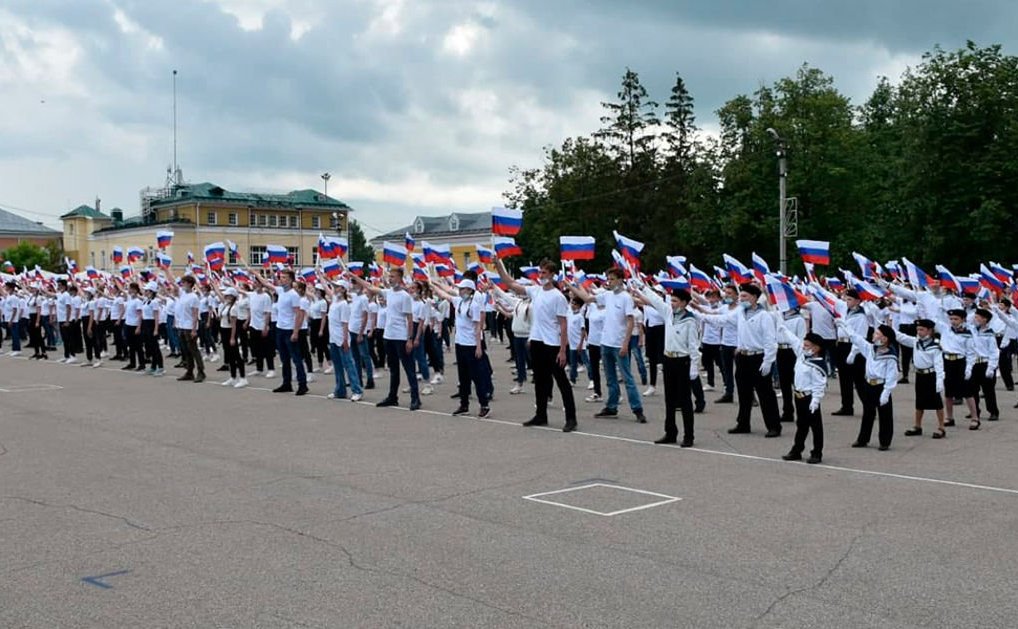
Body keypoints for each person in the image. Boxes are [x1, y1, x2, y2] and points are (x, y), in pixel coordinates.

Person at [497, 257, 577, 432]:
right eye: (540, 272)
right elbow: (511, 283)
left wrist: (563, 350)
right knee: (540, 380)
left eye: (544, 273)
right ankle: (541, 415)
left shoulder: (558, 297)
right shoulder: (536, 291)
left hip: (552, 344)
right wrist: (498, 265)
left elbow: (563, 324)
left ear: (552, 275)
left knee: (561, 381)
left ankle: (571, 418)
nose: (541, 275)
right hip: (537, 342)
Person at [696, 283, 782, 437]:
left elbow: (770, 341)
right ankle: (743, 423)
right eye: (741, 296)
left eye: (745, 296)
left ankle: (773, 425)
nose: (741, 299)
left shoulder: (764, 316)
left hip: (758, 357)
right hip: (743, 356)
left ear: (754, 297)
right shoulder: (740, 313)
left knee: (765, 394)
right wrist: (698, 315)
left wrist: (768, 361)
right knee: (743, 392)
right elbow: (721, 319)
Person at [569, 268, 647, 423]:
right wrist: (573, 285)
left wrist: (625, 344)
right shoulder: (607, 295)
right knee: (610, 378)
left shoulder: (626, 298)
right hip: (605, 342)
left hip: (619, 344)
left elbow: (630, 321)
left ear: (620, 280)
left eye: (612, 279)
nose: (609, 282)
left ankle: (637, 409)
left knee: (627, 378)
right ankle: (611, 406)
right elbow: (588, 298)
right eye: (608, 279)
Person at [635, 285, 699, 446]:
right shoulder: (668, 313)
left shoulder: (690, 320)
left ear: (684, 303)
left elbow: (693, 346)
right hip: (668, 359)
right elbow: (656, 300)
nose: (672, 303)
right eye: (672, 300)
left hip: (682, 361)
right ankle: (670, 432)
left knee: (684, 400)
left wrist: (694, 366)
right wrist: (643, 287)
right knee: (669, 398)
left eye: (675, 301)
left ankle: (689, 435)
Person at [349, 267, 420, 410]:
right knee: (393, 369)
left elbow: (410, 319)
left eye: (393, 276)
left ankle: (415, 398)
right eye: (390, 276)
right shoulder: (388, 293)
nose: (390, 279)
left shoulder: (405, 296)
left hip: (401, 337)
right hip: (389, 336)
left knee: (409, 368)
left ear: (400, 278)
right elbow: (369, 286)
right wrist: (353, 276)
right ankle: (392, 397)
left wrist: (410, 339)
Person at [431, 278, 491, 417]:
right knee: (463, 377)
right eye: (460, 289)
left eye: (463, 289)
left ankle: (484, 405)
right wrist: (434, 285)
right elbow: (445, 294)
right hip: (460, 344)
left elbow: (478, 327)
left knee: (476, 376)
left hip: (471, 345)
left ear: (470, 290)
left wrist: (478, 346)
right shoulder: (458, 301)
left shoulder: (474, 305)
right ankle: (464, 405)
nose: (460, 291)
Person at [838, 320, 899, 450]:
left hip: (881, 386)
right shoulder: (870, 348)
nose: (873, 335)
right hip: (869, 384)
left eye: (877, 334)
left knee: (885, 415)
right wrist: (845, 326)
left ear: (885, 339)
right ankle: (863, 439)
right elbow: (856, 338)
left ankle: (885, 441)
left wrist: (886, 392)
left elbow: (892, 376)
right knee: (868, 412)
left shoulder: (890, 356)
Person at [254, 270, 308, 395]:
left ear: (290, 280)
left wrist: (295, 332)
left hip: (289, 330)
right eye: (281, 277)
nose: (281, 279)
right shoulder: (280, 291)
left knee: (296, 358)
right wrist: (255, 273)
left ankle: (302, 384)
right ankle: (286, 383)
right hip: (280, 329)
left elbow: (299, 315)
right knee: (284, 359)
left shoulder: (294, 295)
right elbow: (266, 283)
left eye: (284, 277)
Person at [781, 332, 828, 464]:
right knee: (801, 425)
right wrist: (782, 328)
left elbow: (819, 385)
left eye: (807, 345)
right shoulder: (802, 356)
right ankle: (797, 450)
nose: (803, 347)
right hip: (798, 396)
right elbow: (793, 340)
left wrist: (815, 400)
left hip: (809, 397)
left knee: (816, 427)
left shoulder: (817, 365)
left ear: (816, 348)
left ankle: (817, 453)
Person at [896, 318, 946, 438]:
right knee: (919, 402)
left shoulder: (935, 346)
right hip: (920, 375)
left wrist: (940, 380)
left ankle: (941, 427)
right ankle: (917, 426)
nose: (919, 332)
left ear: (930, 331)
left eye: (922, 329)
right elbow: (902, 338)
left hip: (931, 375)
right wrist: (888, 329)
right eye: (918, 329)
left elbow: (939, 364)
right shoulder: (916, 342)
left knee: (937, 402)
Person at [325, 281, 363, 401]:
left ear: (343, 289)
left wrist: (345, 340)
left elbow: (345, 324)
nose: (335, 289)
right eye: (335, 287)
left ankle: (357, 390)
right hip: (333, 338)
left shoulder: (344, 305)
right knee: (337, 366)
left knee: (349, 365)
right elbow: (326, 288)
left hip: (341, 339)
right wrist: (321, 276)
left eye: (338, 287)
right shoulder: (334, 301)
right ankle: (340, 390)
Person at [166, 273, 205, 383]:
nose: (182, 284)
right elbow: (174, 283)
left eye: (184, 283)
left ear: (189, 284)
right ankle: (189, 372)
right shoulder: (183, 294)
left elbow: (195, 314)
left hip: (189, 327)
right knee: (186, 351)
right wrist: (166, 270)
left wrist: (194, 329)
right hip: (181, 326)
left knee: (194, 350)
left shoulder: (194, 297)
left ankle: (201, 371)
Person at [969, 307, 1000, 425]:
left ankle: (993, 411)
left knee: (988, 390)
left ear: (984, 319)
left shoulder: (989, 334)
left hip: (985, 364)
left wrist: (991, 367)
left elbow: (994, 352)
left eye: (977, 317)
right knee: (973, 390)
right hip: (974, 363)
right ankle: (975, 411)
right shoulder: (972, 330)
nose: (975, 319)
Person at [777, 306, 807, 423]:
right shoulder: (780, 316)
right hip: (781, 350)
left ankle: (802, 412)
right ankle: (787, 411)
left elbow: (801, 339)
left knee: (797, 384)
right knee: (784, 384)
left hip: (793, 352)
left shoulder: (799, 319)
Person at [140, 282, 164, 377]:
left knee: (155, 347)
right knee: (149, 347)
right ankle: (153, 367)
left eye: (146, 290)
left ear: (151, 291)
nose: (145, 292)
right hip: (146, 323)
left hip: (152, 324)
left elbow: (156, 316)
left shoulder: (154, 302)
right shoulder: (146, 301)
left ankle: (160, 367)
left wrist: (156, 329)